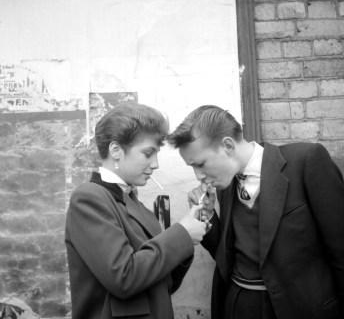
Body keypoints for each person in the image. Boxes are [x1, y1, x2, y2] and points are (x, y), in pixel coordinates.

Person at [167, 104, 344, 319]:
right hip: (240, 307)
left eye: (201, 164)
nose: (198, 176)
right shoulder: (225, 184)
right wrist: (208, 217)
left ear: (228, 145)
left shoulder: (305, 161)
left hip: (300, 307)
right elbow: (227, 258)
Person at [65, 102, 207, 319]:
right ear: (116, 151)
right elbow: (124, 278)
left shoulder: (131, 201)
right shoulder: (89, 198)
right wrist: (182, 234)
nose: (156, 164)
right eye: (148, 153)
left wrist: (188, 238)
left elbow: (163, 282)